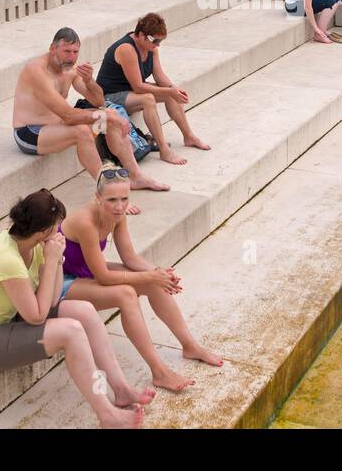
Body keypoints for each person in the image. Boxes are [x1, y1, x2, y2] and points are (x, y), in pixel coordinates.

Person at [0, 189, 150, 428]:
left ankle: (121, 389)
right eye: (57, 227)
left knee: (84, 310)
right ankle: (107, 414)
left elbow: (53, 300)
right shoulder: (6, 258)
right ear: (43, 231)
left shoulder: (32, 245)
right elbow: (36, 317)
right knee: (71, 331)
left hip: (9, 319)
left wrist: (57, 259)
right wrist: (52, 260)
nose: (60, 231)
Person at [61, 164, 223, 393]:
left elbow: (129, 256)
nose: (119, 207)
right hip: (60, 281)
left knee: (152, 282)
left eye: (124, 199)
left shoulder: (118, 214)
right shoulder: (85, 222)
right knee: (128, 293)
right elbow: (104, 277)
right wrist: (150, 275)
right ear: (98, 198)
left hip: (84, 271)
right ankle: (159, 372)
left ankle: (190, 346)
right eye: (112, 200)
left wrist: (160, 273)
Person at [12, 26, 168, 196]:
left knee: (109, 118)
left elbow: (99, 101)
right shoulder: (36, 71)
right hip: (29, 132)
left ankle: (136, 176)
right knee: (83, 131)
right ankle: (106, 189)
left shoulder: (70, 69)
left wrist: (89, 81)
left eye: (75, 52)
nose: (71, 57)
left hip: (56, 125)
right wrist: (105, 114)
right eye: (66, 51)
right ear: (52, 48)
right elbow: (68, 115)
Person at [96, 13, 210, 168]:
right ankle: (164, 149)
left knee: (169, 93)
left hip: (129, 92)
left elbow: (159, 75)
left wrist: (174, 90)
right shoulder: (127, 49)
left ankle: (188, 136)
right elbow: (138, 86)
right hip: (109, 97)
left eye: (160, 40)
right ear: (142, 35)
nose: (157, 44)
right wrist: (168, 91)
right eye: (155, 40)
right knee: (148, 99)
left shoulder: (151, 48)